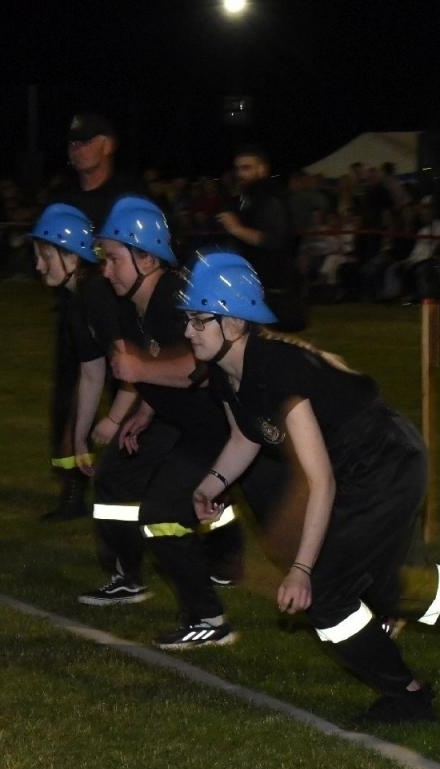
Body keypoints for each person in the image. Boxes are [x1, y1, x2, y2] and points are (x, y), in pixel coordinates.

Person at [180, 252, 440, 722]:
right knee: (385, 589)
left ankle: (408, 696)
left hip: (385, 464)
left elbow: (321, 481)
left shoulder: (279, 369)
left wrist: (301, 568)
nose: (188, 331)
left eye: (197, 319)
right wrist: (210, 484)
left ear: (232, 322)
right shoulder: (229, 373)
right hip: (364, 467)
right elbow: (246, 436)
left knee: (328, 594)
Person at [81, 198, 262, 649]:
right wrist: (146, 408)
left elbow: (194, 368)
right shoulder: (133, 302)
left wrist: (139, 376)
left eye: (115, 260)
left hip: (232, 432)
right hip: (199, 430)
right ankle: (208, 587)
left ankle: (209, 616)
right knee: (150, 501)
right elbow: (163, 365)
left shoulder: (176, 299)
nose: (107, 271)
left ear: (147, 257)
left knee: (164, 514)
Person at [38, 112, 148, 520]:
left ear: (109, 144)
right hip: (76, 316)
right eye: (72, 142)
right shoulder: (63, 197)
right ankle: (72, 488)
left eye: (85, 140)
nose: (76, 149)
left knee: (134, 398)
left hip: (122, 318)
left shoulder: (131, 196)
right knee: (70, 401)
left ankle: (133, 488)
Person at [29, 204, 120, 507]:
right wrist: (80, 438)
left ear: (71, 256)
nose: (39, 267)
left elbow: (136, 365)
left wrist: (118, 418)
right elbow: (93, 374)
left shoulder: (97, 294)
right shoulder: (77, 299)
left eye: (45, 257)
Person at [217, 147, 307, 331]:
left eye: (247, 168)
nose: (241, 173)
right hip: (252, 279)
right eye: (239, 168)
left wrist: (237, 229)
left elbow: (273, 239)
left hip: (272, 282)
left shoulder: (269, 198)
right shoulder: (246, 196)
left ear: (262, 169)